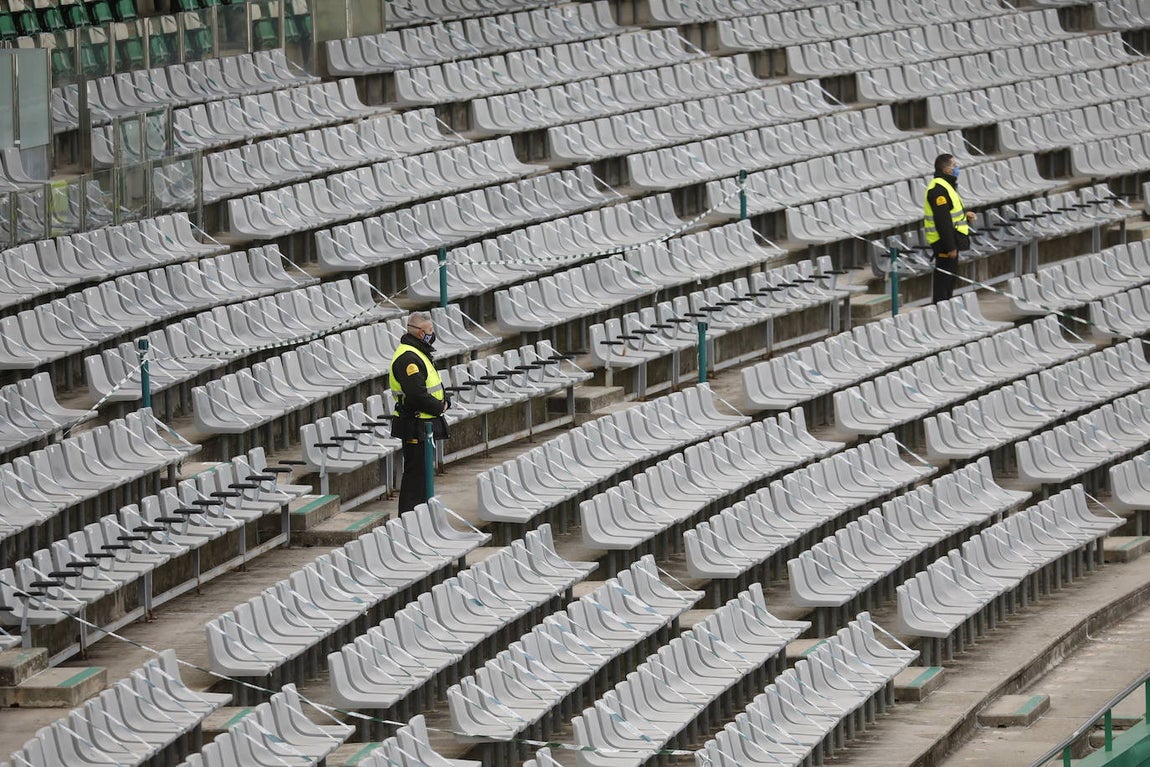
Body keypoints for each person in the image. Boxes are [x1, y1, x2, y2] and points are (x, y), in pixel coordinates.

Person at [389, 311, 449, 513]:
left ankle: (420, 517)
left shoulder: (420, 353)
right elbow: (416, 395)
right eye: (430, 330)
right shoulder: (408, 358)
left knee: (423, 477)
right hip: (416, 425)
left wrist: (444, 399)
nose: (433, 334)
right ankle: (408, 519)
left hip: (425, 425)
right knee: (415, 477)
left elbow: (433, 384)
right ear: (420, 333)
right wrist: (439, 407)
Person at [924, 153, 977, 304]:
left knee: (950, 281)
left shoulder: (947, 186)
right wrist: (950, 247)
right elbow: (942, 221)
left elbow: (950, 214)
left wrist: (965, 216)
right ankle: (940, 311)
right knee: (943, 283)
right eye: (954, 166)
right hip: (944, 242)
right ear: (946, 169)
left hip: (951, 239)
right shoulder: (938, 189)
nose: (957, 169)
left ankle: (945, 309)